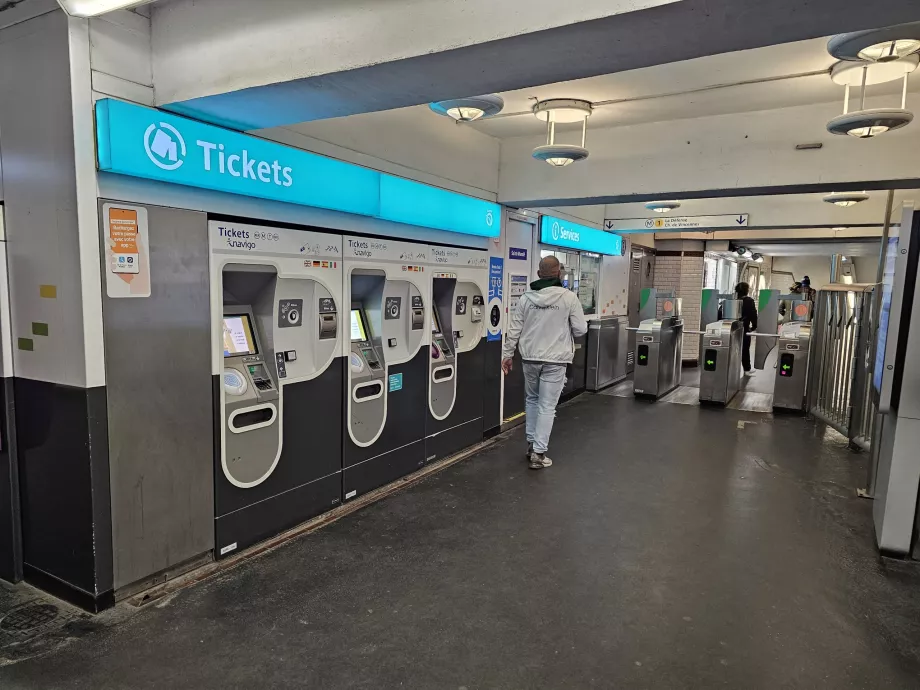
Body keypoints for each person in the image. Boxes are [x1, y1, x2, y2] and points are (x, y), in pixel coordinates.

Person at [501, 256, 588, 470]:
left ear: (539, 274)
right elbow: (581, 329)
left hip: (530, 357)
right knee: (547, 406)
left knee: (531, 400)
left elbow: (514, 330)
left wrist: (507, 355)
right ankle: (539, 454)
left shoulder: (526, 299)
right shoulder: (569, 298)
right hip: (556, 360)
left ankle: (531, 445)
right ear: (559, 274)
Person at [735, 282, 758, 375]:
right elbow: (753, 314)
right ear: (746, 290)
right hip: (744, 328)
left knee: (733, 348)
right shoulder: (749, 301)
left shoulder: (734, 299)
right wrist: (754, 326)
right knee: (745, 349)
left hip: (732, 327)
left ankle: (730, 368)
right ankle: (747, 369)